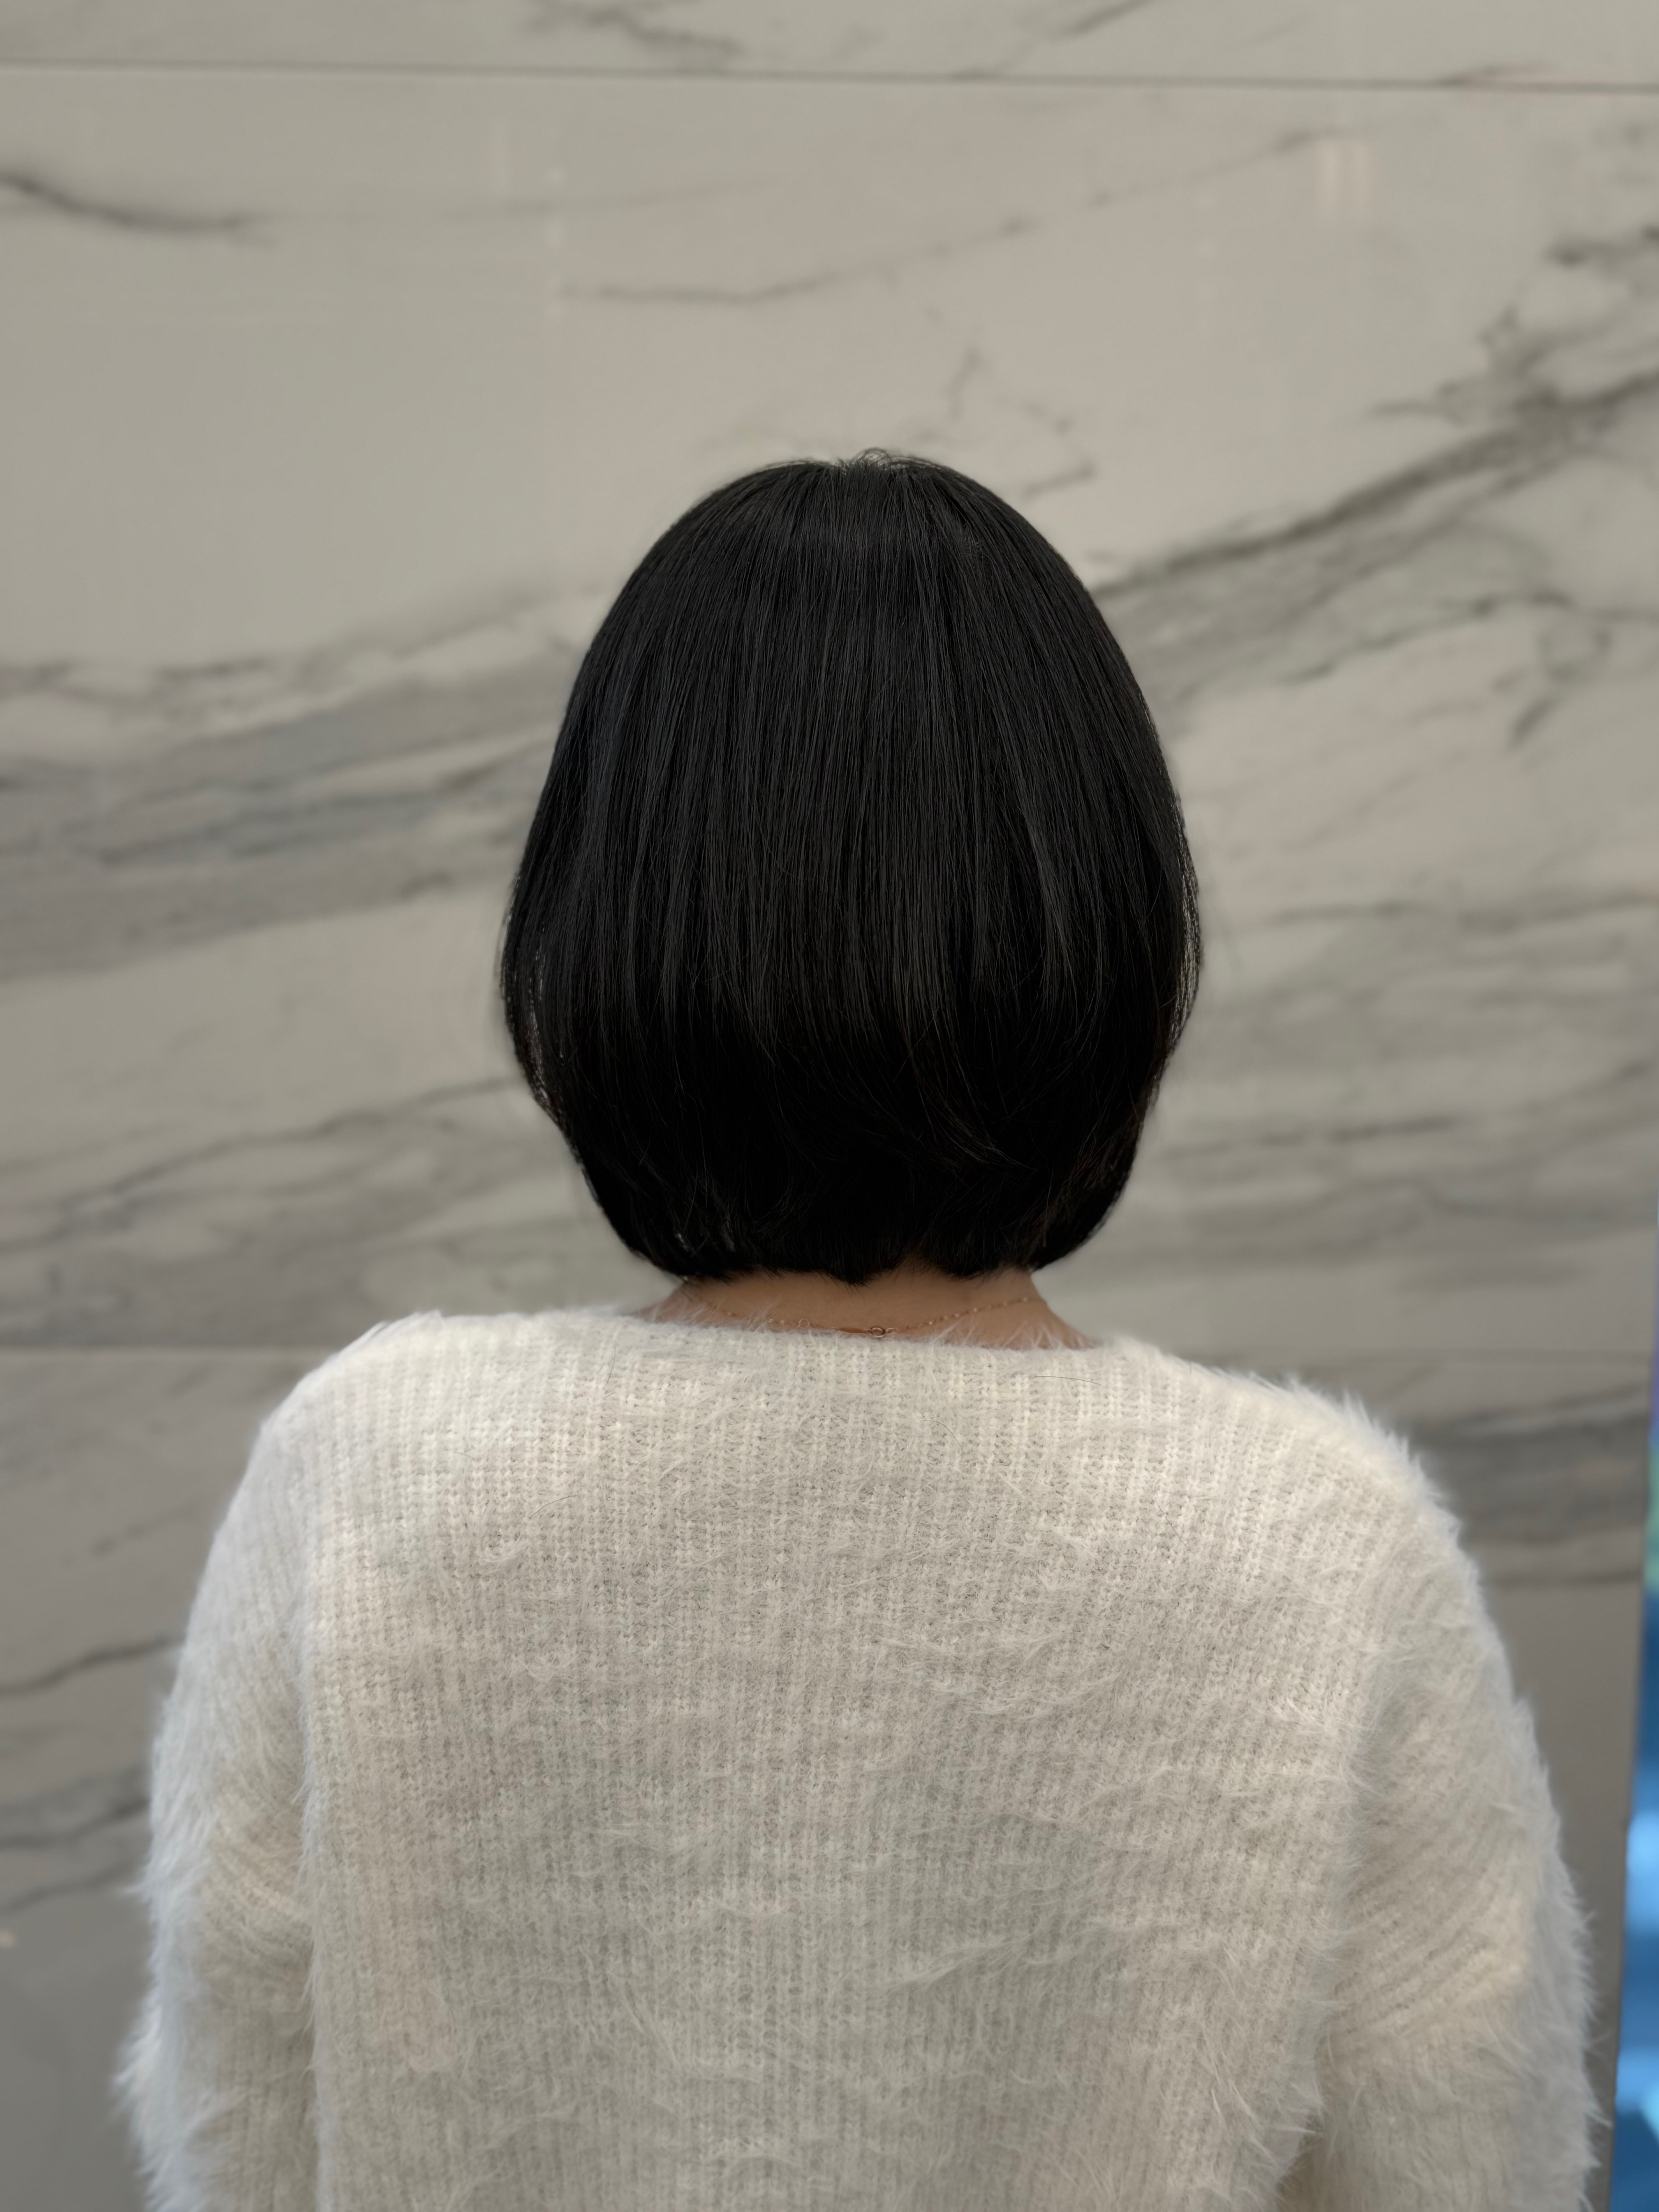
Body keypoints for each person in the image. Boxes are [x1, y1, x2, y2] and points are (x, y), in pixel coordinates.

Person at [113, 452, 1599, 2209]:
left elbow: (240, 2151)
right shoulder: (1319, 1545)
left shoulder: (376, 1479)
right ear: (1113, 937)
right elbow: (1467, 2175)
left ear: (603, 929)